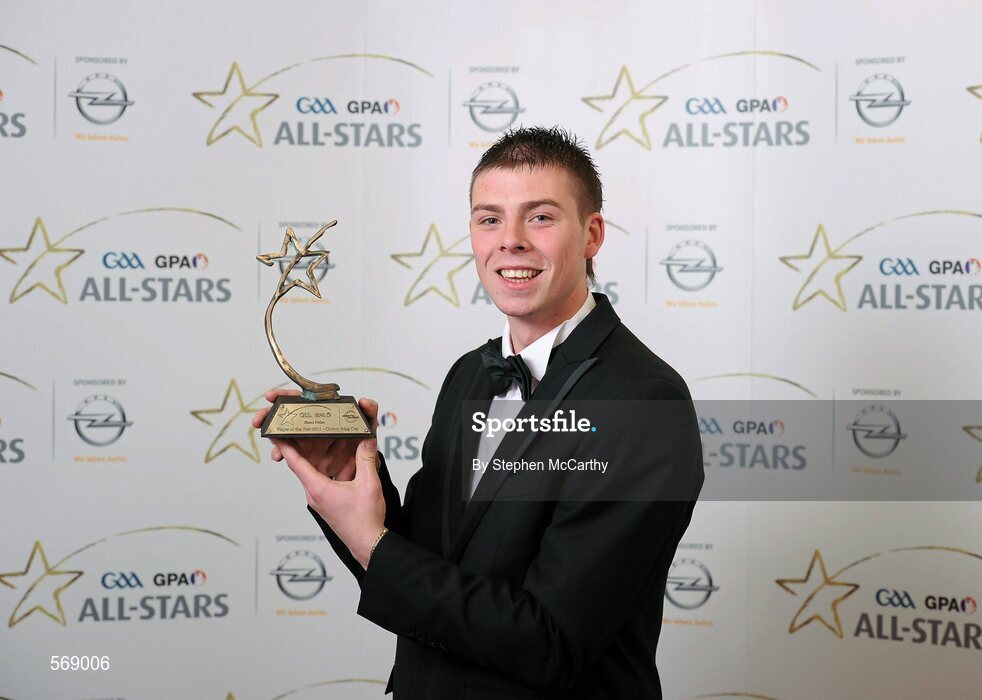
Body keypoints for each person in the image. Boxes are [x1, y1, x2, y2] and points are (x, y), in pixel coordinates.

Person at [252, 126, 704, 699]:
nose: (509, 241)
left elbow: (552, 642)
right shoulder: (471, 373)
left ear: (592, 234)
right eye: (489, 218)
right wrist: (349, 476)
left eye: (540, 217)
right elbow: (432, 560)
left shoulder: (643, 401)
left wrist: (371, 541)